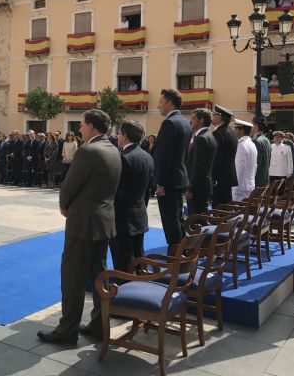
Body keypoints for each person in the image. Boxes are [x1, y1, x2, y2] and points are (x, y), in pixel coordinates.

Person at [37, 109, 121, 344]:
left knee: (72, 277)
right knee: (98, 275)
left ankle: (67, 330)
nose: (79, 129)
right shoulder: (113, 149)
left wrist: (64, 205)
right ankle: (97, 324)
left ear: (91, 127)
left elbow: (69, 185)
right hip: (103, 221)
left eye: (82, 125)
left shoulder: (88, 151)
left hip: (83, 222)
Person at [111, 120, 154, 272]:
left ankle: (126, 294)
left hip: (122, 218)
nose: (117, 136)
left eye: (119, 133)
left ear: (125, 136)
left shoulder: (123, 157)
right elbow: (148, 189)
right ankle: (140, 289)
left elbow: (117, 191)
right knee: (139, 258)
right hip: (139, 213)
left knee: (123, 262)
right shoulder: (147, 156)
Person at [153, 89, 192, 248]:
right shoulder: (185, 122)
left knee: (170, 222)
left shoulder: (169, 123)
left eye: (161, 102)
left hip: (169, 181)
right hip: (179, 178)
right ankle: (184, 254)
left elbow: (164, 156)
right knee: (178, 218)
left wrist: (160, 183)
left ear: (169, 103)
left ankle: (176, 259)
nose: (158, 106)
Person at [185, 108, 217, 217]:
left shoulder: (201, 138)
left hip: (197, 189)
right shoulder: (209, 136)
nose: (191, 121)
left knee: (195, 222)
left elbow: (199, 167)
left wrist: (190, 188)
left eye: (193, 118)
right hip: (203, 186)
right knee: (201, 219)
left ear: (201, 120)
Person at [211, 105, 239, 207]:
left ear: (219, 118)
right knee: (226, 206)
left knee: (218, 207)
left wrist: (213, 177)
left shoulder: (218, 133)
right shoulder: (230, 131)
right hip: (227, 176)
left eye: (214, 114)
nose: (212, 117)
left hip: (220, 178)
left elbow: (217, 158)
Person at [232, 119, 258, 202]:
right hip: (249, 183)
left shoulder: (241, 145)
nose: (234, 131)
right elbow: (255, 166)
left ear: (241, 131)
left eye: (236, 129)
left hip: (241, 187)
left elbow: (239, 168)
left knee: (237, 212)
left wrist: (235, 188)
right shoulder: (251, 144)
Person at [251, 118, 271, 188]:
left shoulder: (256, 141)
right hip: (264, 178)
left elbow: (256, 163)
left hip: (257, 180)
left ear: (256, 126)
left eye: (252, 125)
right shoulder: (266, 139)